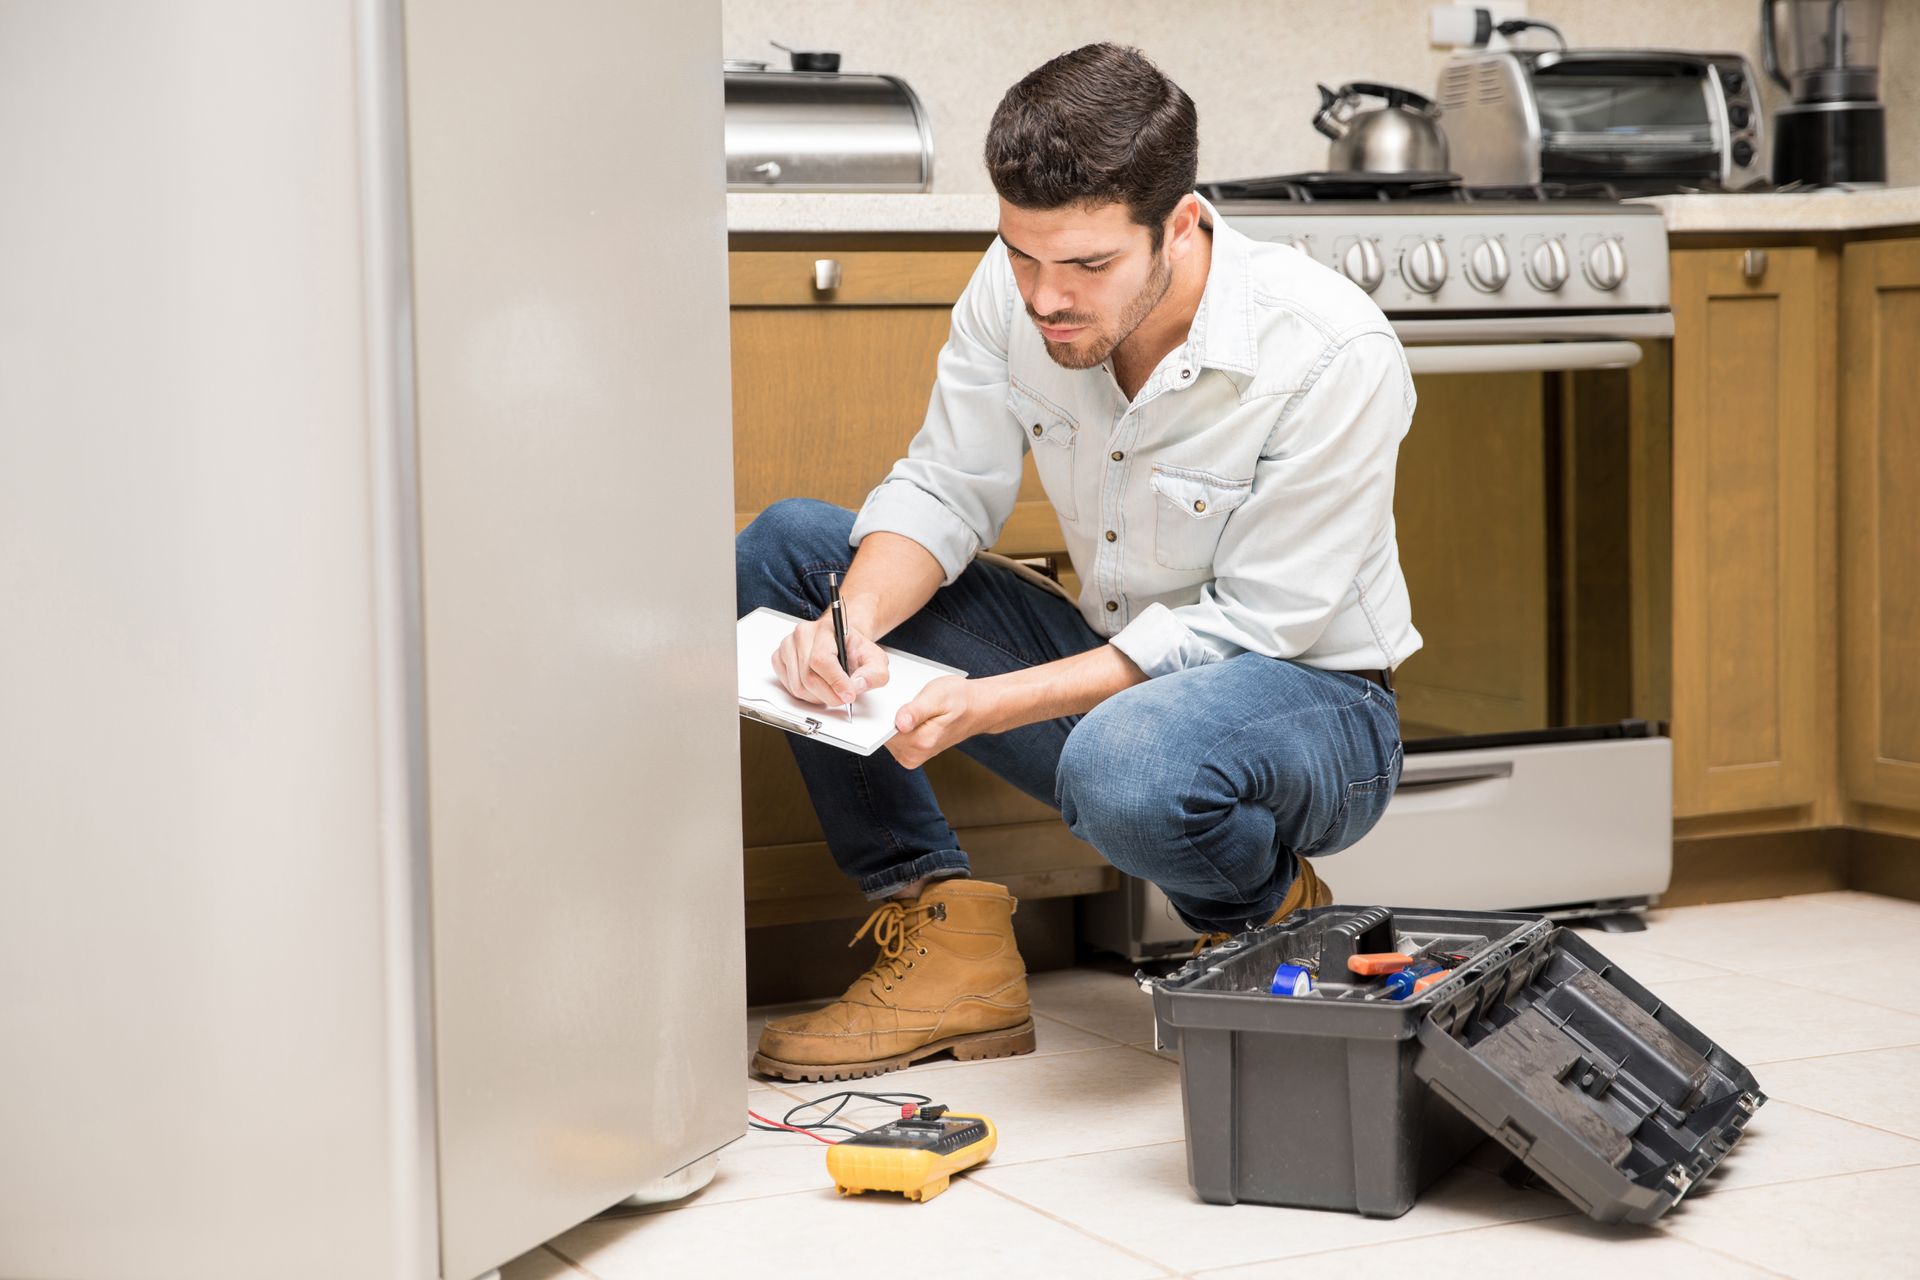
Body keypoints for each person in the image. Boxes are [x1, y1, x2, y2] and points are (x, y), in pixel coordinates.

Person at [737, 43, 1419, 1082]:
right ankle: (943, 937)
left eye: (1088, 267)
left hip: (1314, 703)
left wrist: (988, 704)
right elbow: (946, 485)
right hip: (1114, 667)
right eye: (1023, 256)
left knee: (1128, 762)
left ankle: (1269, 916)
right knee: (791, 549)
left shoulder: (1330, 350)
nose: (1046, 298)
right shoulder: (1015, 289)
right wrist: (853, 619)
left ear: (1179, 226)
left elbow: (1249, 625)